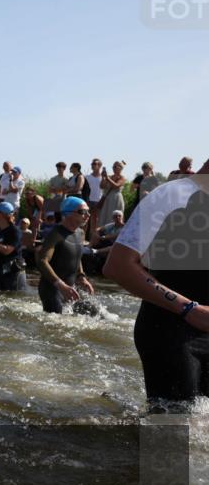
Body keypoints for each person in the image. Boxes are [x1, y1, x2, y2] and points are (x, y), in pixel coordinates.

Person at [103, 158, 209, 409]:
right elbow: (118, 265)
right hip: (172, 332)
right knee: (172, 437)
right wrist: (189, 308)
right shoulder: (172, 195)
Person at [36, 196, 95, 313]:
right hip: (52, 290)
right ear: (68, 214)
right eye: (82, 212)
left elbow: (76, 256)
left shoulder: (81, 233)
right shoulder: (56, 234)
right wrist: (60, 285)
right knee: (57, 326)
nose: (87, 215)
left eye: (88, 211)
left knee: (95, 314)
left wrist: (81, 277)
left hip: (71, 288)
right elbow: (42, 260)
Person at [97, 160, 126, 232]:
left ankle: (113, 234)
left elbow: (117, 186)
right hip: (107, 198)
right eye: (113, 166)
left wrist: (107, 178)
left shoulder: (122, 177)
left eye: (116, 166)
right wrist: (103, 178)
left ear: (120, 168)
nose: (114, 168)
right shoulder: (109, 177)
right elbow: (102, 186)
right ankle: (102, 233)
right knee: (104, 216)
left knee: (114, 216)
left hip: (116, 198)